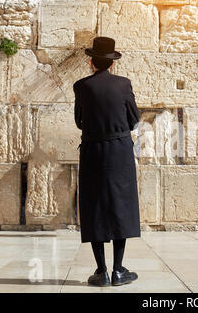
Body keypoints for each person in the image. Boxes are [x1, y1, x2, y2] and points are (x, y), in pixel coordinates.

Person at [73, 36, 141, 287]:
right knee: (120, 206)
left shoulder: (81, 86)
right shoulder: (124, 85)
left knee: (95, 206)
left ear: (91, 62)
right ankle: (119, 270)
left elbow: (79, 121)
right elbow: (134, 119)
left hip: (92, 150)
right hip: (120, 151)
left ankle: (101, 271)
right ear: (112, 63)